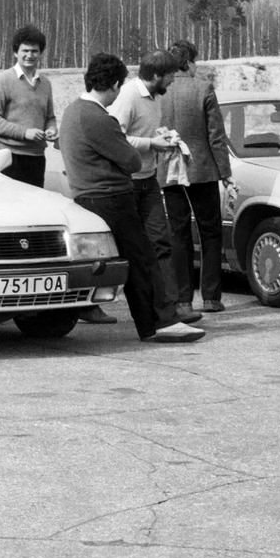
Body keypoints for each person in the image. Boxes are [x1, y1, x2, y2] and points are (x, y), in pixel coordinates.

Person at [57, 53, 204, 344]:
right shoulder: (99, 118)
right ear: (112, 85)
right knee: (143, 260)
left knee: (127, 261)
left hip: (87, 195)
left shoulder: (72, 112)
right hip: (111, 197)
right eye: (118, 86)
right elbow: (131, 161)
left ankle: (154, 323)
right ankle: (160, 323)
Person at [0, 25, 115, 324]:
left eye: (35, 51)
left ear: (41, 54)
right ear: (15, 52)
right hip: (7, 159)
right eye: (25, 51)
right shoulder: (3, 80)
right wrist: (23, 132)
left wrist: (52, 129)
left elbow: (50, 115)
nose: (30, 56)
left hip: (35, 158)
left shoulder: (45, 84)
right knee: (7, 220)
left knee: (31, 220)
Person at [107, 50, 200, 325]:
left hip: (149, 180)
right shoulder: (127, 96)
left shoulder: (155, 98)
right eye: (170, 75)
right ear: (157, 75)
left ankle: (172, 309)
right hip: (127, 183)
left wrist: (162, 137)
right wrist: (151, 144)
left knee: (162, 242)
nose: (173, 81)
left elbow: (142, 133)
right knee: (128, 248)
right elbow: (115, 137)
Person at [159, 39, 236, 315]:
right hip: (202, 170)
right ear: (190, 62)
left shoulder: (161, 91)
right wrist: (225, 173)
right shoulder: (203, 87)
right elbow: (216, 136)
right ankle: (212, 297)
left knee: (178, 233)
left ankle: (182, 298)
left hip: (169, 169)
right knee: (210, 232)